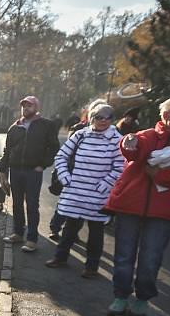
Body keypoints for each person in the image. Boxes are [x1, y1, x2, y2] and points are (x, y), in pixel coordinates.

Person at [104, 93, 170, 316]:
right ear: (166, 115)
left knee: (151, 258)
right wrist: (128, 142)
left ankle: (142, 299)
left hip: (164, 211)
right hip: (130, 206)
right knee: (123, 256)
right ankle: (120, 296)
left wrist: (161, 175)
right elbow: (133, 149)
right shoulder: (147, 136)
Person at [44, 103, 124, 276]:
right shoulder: (81, 135)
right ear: (91, 118)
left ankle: (91, 267)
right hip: (76, 190)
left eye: (107, 117)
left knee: (96, 231)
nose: (103, 121)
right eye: (98, 117)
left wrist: (104, 185)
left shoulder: (117, 139)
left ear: (112, 119)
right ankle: (60, 257)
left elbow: (120, 166)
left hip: (98, 194)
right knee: (70, 227)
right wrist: (65, 176)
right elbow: (61, 155)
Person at [0, 96, 60, 252]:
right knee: (16, 204)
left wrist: (42, 165)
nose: (26, 108)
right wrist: (2, 170)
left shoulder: (46, 125)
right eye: (24, 106)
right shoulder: (15, 127)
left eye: (29, 106)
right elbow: (7, 151)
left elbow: (54, 148)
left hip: (33, 171)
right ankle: (18, 233)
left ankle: (32, 239)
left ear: (36, 107)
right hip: (16, 170)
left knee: (32, 204)